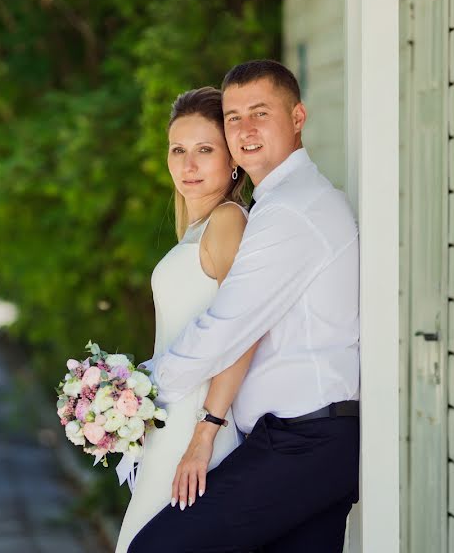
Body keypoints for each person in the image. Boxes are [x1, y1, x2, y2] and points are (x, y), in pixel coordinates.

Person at [129, 60, 360, 553]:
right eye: (233, 116)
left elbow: (228, 327)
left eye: (260, 113)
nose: (244, 129)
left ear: (297, 117)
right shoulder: (276, 205)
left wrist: (138, 392)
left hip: (305, 441)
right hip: (295, 439)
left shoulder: (291, 211)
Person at [115, 87, 261, 552]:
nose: (188, 164)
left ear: (232, 159)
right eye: (178, 150)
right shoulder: (195, 229)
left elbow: (244, 332)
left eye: (205, 150)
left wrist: (205, 434)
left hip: (196, 431)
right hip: (168, 425)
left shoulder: (228, 222)